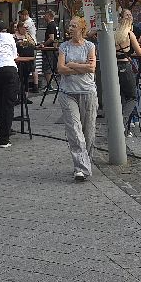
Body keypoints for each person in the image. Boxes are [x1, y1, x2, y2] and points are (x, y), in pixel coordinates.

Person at [58, 17, 98, 180]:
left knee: (88, 131)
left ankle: (86, 162)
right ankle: (80, 168)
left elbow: (92, 68)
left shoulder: (89, 46)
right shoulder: (64, 46)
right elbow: (61, 69)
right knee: (75, 130)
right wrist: (82, 67)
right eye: (69, 25)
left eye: (74, 26)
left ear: (82, 28)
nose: (70, 28)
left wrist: (72, 65)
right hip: (68, 92)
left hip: (87, 91)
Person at [114, 9, 141, 132]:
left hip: (114, 66)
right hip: (125, 66)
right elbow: (139, 52)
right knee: (132, 96)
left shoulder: (114, 33)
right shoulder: (129, 34)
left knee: (121, 96)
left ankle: (122, 123)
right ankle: (123, 120)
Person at [40, 10, 60, 94]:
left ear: (48, 15)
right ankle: (50, 84)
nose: (44, 16)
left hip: (49, 49)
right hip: (53, 49)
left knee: (47, 67)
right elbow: (56, 39)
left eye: (45, 15)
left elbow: (51, 38)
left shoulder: (50, 25)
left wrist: (43, 44)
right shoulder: (55, 25)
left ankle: (49, 85)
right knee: (51, 66)